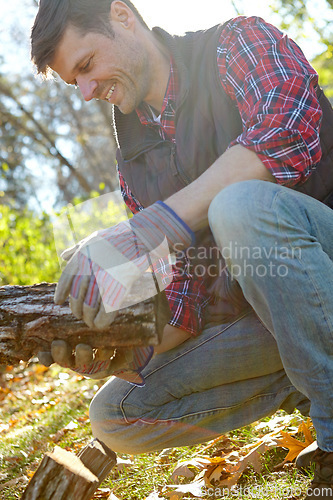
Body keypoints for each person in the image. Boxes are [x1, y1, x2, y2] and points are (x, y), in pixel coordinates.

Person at [30, 1, 333, 498]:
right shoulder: (134, 161)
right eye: (74, 83)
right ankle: (312, 379)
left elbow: (287, 132)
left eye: (85, 66)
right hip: (278, 317)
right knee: (113, 414)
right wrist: (123, 349)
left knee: (240, 207)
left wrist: (158, 225)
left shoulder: (236, 43)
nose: (86, 93)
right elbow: (185, 297)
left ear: (123, 16)